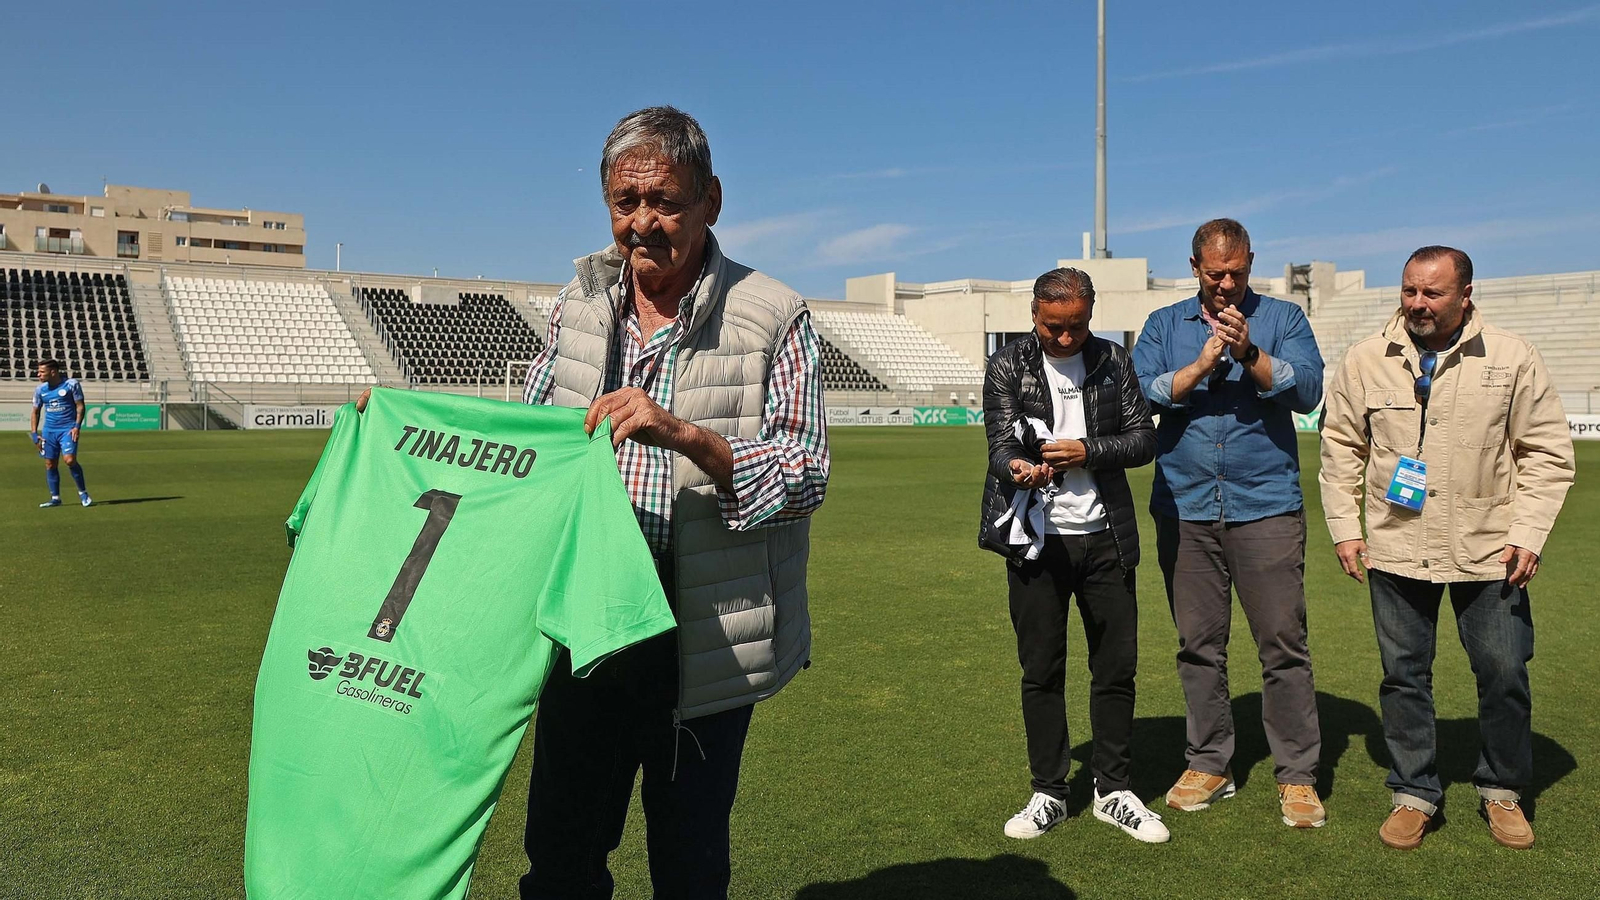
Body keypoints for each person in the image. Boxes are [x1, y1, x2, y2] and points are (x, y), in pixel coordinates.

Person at [519, 106, 828, 899]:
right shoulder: (575, 306)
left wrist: (689, 437)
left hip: (701, 641)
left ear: (712, 200)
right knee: (559, 860)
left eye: (666, 202)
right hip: (584, 631)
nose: (643, 223)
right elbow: (528, 450)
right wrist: (392, 426)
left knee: (688, 869)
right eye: (627, 202)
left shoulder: (774, 315)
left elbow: (806, 474)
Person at [1319, 246, 1574, 851]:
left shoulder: (1512, 357)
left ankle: (1503, 790)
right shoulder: (1365, 359)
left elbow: (1546, 454)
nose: (1417, 304)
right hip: (1396, 544)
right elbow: (1340, 447)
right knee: (1404, 676)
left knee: (1504, 672)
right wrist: (1345, 528)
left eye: (1432, 293)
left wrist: (1528, 535)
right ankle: (1414, 792)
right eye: (1410, 291)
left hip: (1490, 550)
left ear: (1465, 293)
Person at [1131, 218, 1327, 828]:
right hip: (1185, 504)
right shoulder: (1165, 325)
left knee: (1283, 645)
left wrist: (1249, 354)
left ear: (1250, 262)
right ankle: (1210, 762)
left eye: (1237, 272)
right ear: (1194, 267)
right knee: (1198, 646)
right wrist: (1199, 367)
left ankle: (1297, 775)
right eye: (1215, 273)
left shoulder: (1284, 318)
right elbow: (1139, 396)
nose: (1226, 283)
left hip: (1265, 504)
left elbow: (1309, 390)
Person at [980, 268, 1168, 844]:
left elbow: (1143, 439)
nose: (1065, 338)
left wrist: (1088, 450)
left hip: (1106, 538)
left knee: (1116, 669)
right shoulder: (1007, 365)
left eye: (1076, 326)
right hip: (1036, 539)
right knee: (1042, 670)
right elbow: (1000, 445)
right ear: (1033, 315)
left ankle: (1113, 790)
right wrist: (1019, 468)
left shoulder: (1113, 360)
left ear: (1091, 313)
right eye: (1052, 327)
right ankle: (1049, 792)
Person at [30, 359, 92, 508]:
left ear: (53, 372)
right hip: (49, 431)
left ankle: (83, 493)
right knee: (50, 464)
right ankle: (55, 498)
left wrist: (77, 426)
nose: (38, 374)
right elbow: (35, 411)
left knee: (69, 460)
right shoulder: (40, 390)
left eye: (42, 372)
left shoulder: (71, 385)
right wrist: (34, 433)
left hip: (67, 429)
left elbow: (80, 406)